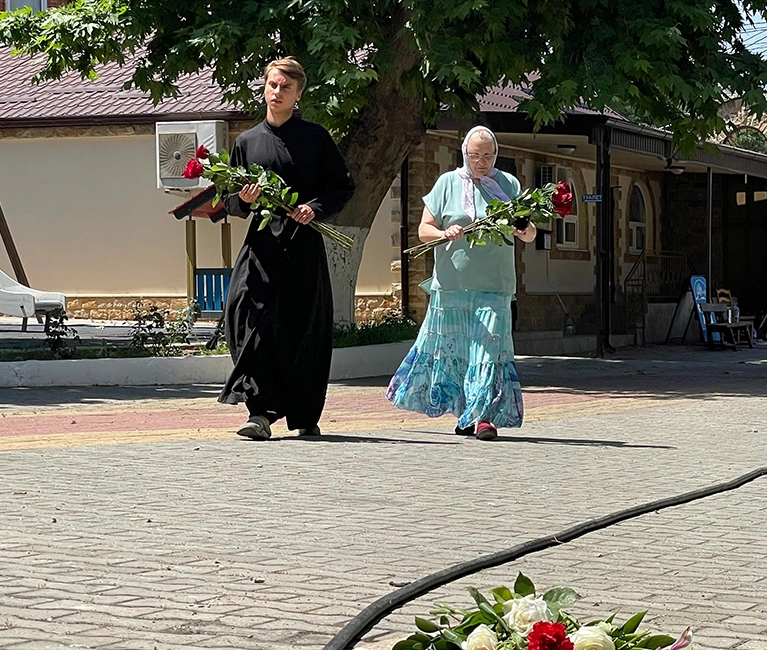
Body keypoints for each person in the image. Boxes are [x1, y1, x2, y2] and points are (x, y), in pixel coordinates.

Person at [218, 58, 356, 440]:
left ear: (298, 95)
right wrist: (243, 200)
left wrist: (315, 207)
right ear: (264, 87)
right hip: (261, 249)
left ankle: (303, 412)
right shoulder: (246, 142)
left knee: (300, 331)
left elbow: (342, 187)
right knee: (245, 319)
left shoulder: (315, 138)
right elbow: (228, 201)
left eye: (285, 88)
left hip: (302, 247)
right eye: (272, 85)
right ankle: (259, 413)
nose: (277, 93)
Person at [386, 126, 537, 441]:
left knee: (488, 353)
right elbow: (424, 230)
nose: (481, 162)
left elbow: (530, 232)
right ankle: (465, 414)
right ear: (464, 154)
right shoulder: (447, 183)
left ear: (495, 155)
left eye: (488, 155)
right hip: (452, 285)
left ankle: (483, 418)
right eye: (475, 155)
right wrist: (444, 234)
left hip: (495, 286)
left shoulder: (508, 185)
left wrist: (523, 228)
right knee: (456, 354)